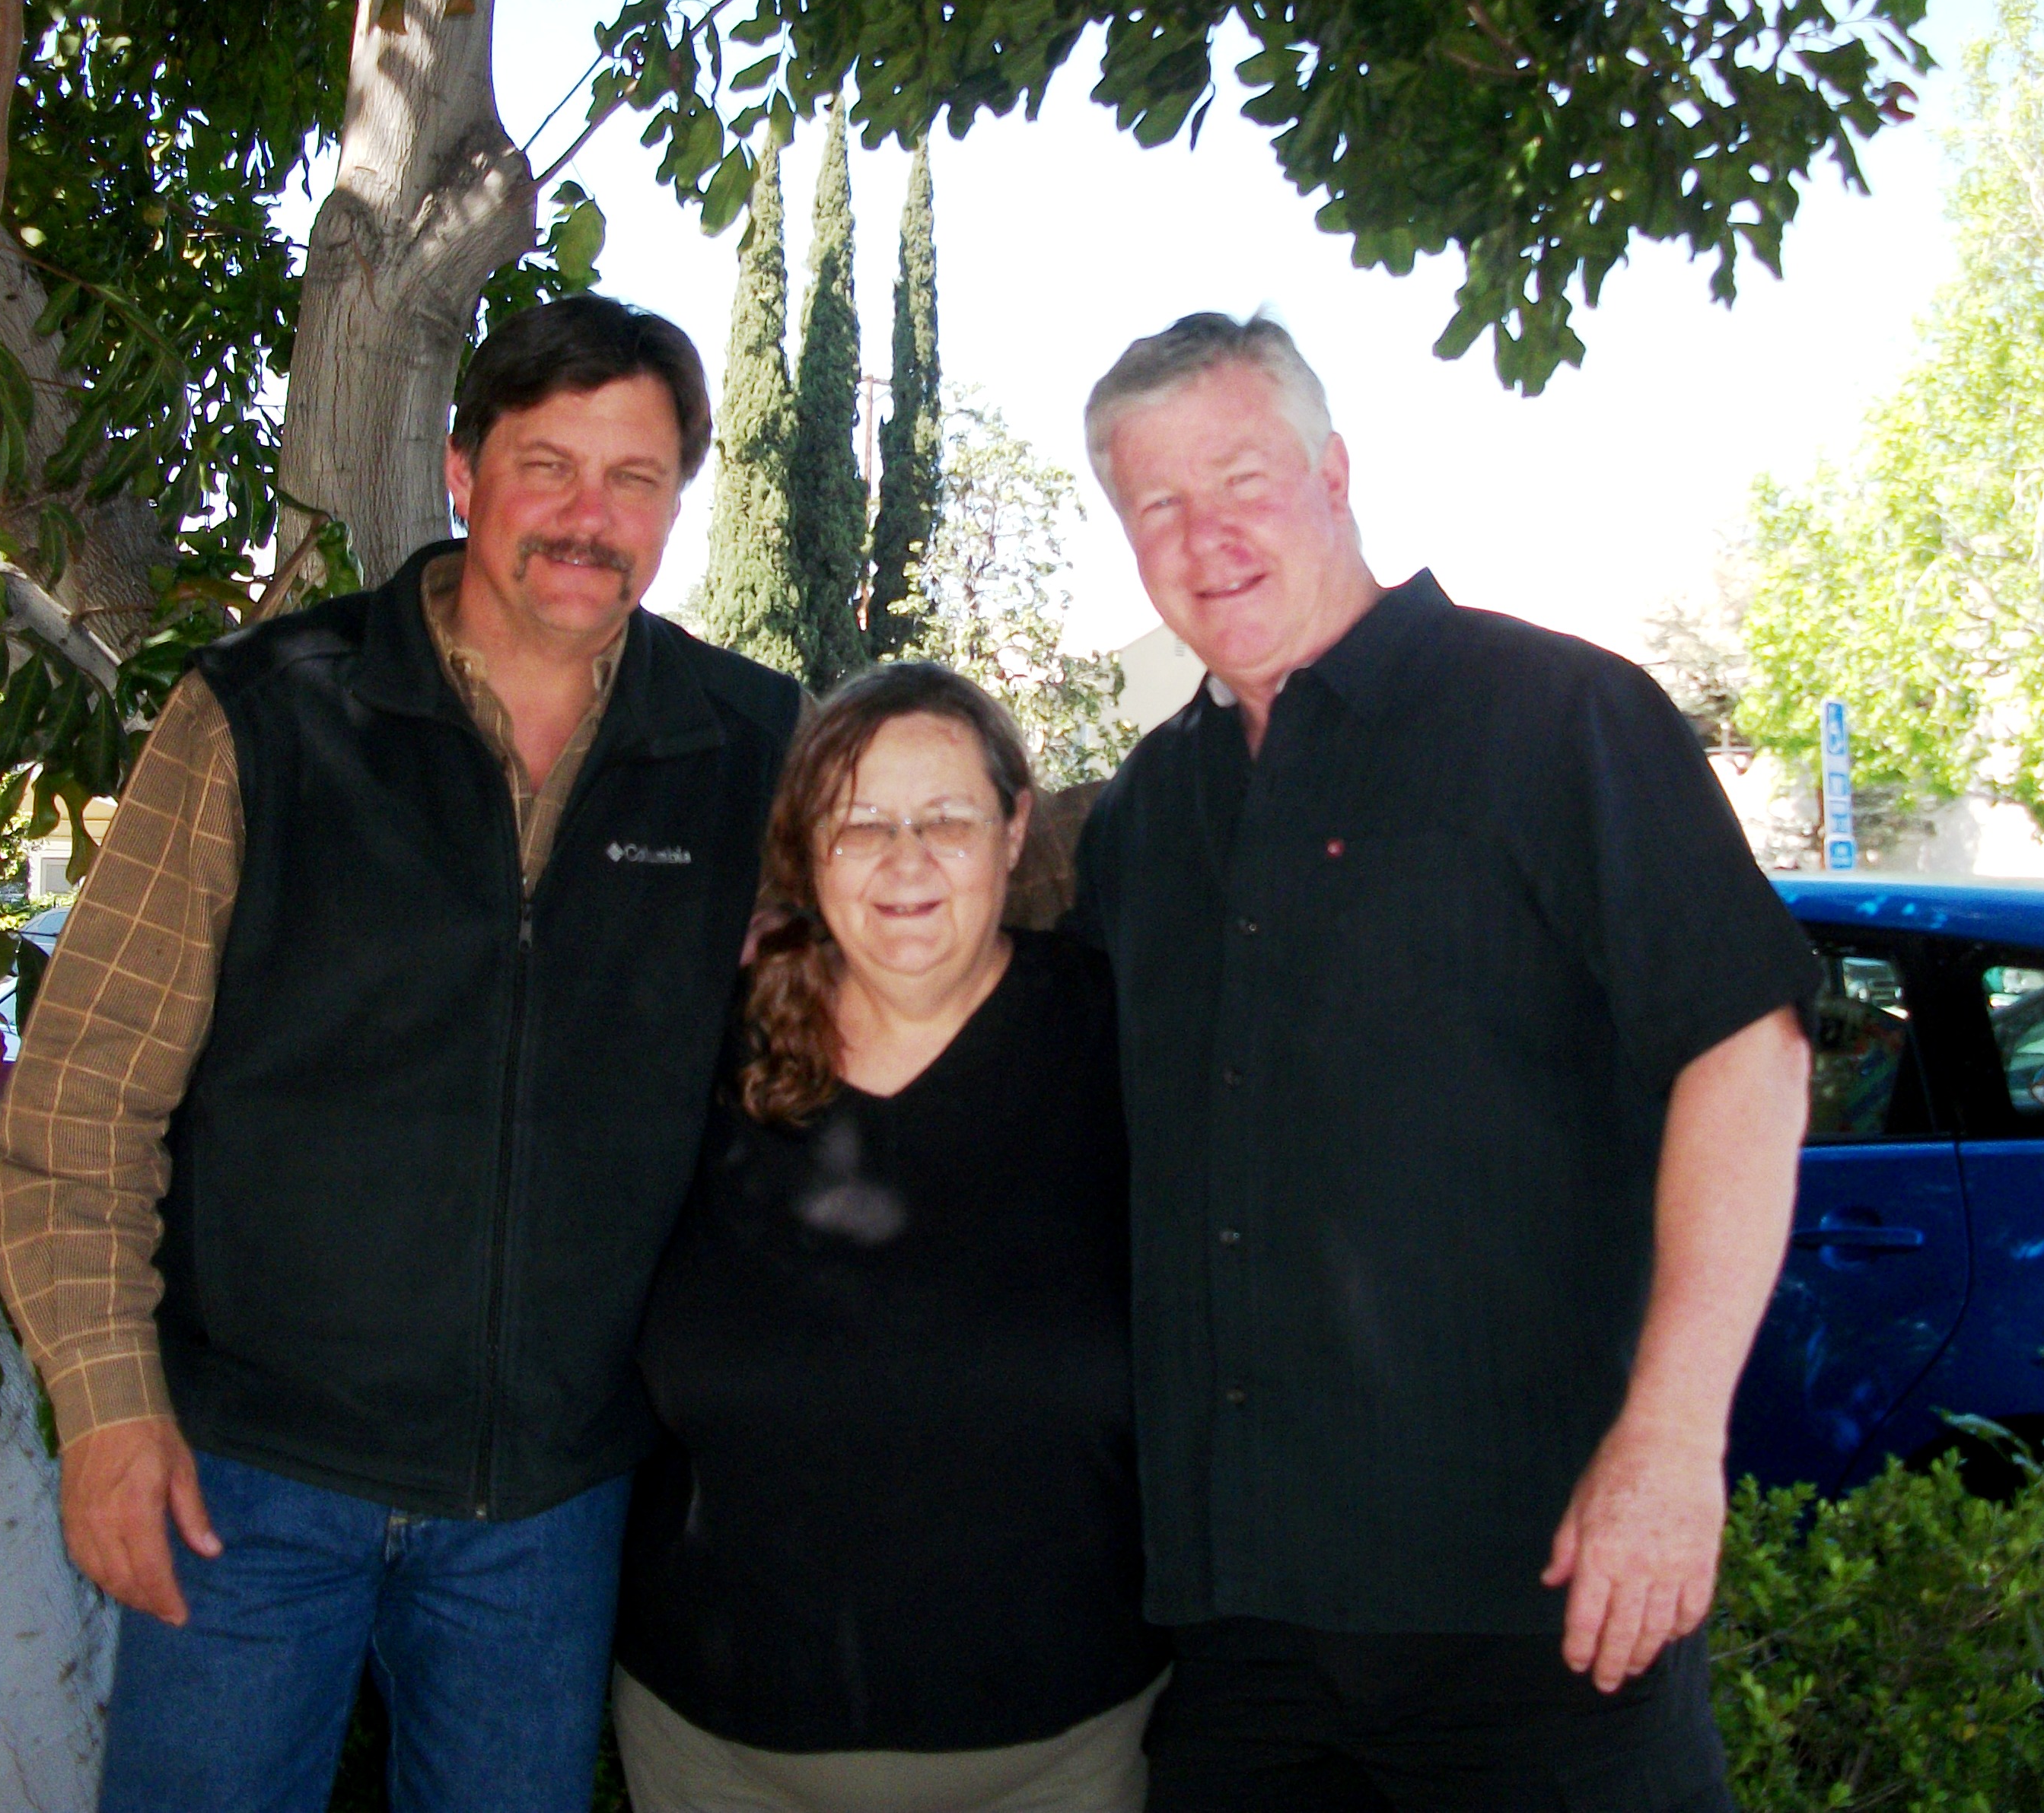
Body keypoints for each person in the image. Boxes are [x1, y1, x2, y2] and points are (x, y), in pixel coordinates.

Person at [0, 295, 803, 1813]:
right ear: (458, 471)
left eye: (635, 478)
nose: (587, 515)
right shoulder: (266, 717)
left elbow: (878, 977)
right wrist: (106, 1407)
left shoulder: (748, 747)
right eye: (546, 464)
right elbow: (85, 1099)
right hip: (246, 1483)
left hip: (552, 1511)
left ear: (678, 503)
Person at [1071, 313, 1819, 1812]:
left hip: (1538, 1615)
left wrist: (1673, 1444)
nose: (1205, 538)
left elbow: (1749, 1046)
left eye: (1242, 479)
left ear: (1336, 472)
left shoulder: (1560, 720)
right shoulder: (1151, 815)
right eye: (1156, 505)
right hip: (1241, 1643)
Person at [611, 662, 1171, 1813]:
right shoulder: (699, 1047)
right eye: (861, 821)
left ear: (1015, 830)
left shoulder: (1124, 1041)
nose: (905, 857)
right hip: (718, 1756)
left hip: (1062, 1754)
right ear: (807, 847)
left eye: (948, 818)